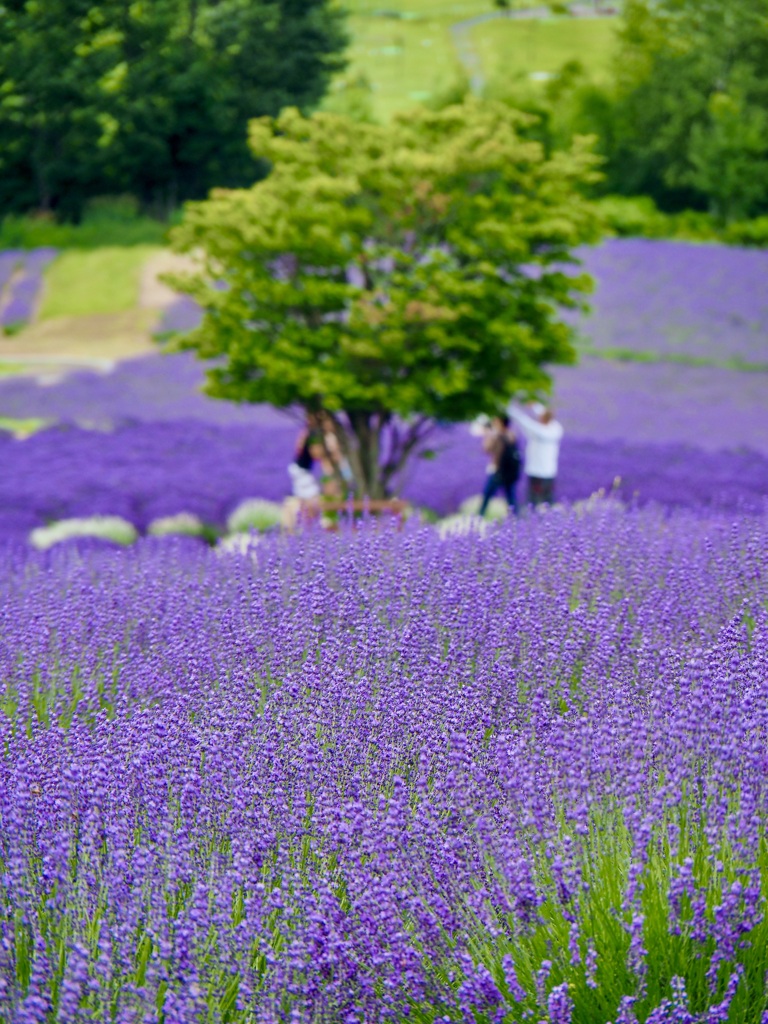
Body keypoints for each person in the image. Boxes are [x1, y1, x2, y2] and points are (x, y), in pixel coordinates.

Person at [508, 401, 563, 507]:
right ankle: (548, 519)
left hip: (537, 471)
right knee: (548, 499)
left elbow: (524, 421)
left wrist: (510, 409)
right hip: (550, 471)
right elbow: (546, 415)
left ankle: (537, 520)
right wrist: (535, 406)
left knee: (535, 499)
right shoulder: (556, 429)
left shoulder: (541, 432)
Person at [479, 414, 521, 517]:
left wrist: (488, 435)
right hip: (509, 470)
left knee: (487, 494)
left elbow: (487, 449)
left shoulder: (497, 435)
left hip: (498, 469)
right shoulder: (512, 435)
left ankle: (480, 516)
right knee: (510, 496)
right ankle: (515, 518)